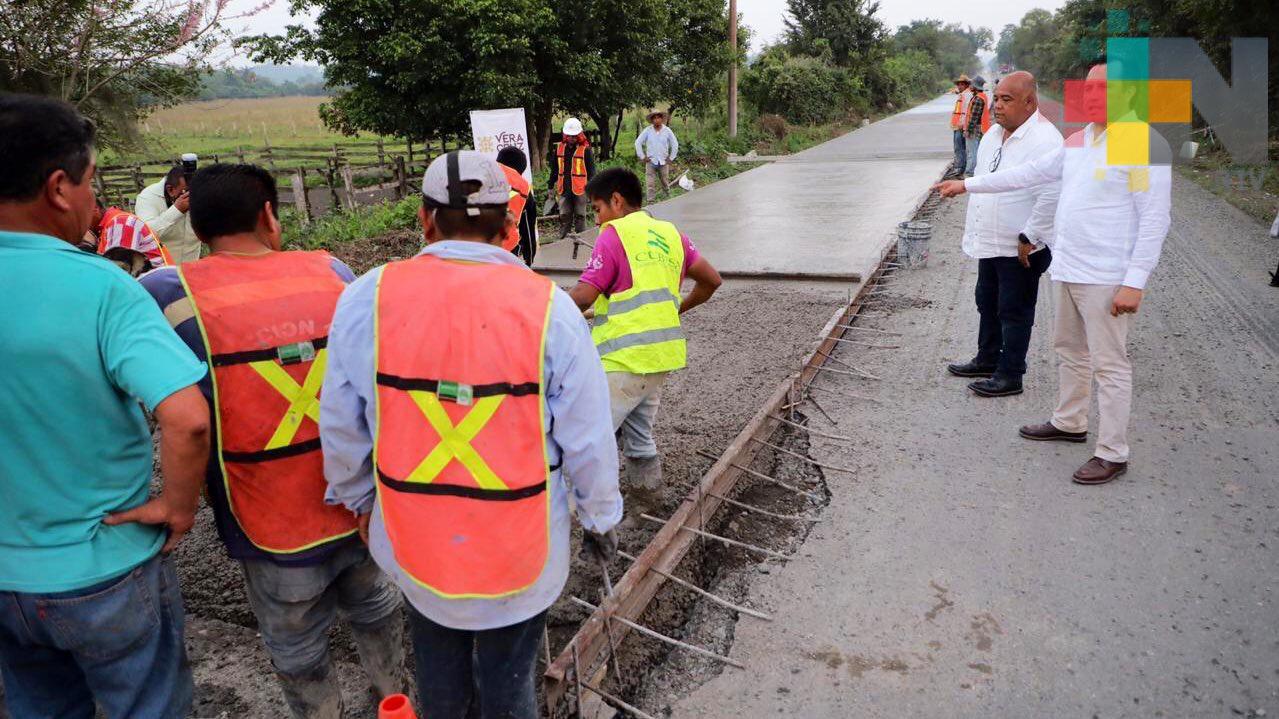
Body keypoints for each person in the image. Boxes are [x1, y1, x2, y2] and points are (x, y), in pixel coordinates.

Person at [320, 150, 623, 719]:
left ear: (423, 219)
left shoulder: (368, 297)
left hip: (416, 542)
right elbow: (587, 438)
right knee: (510, 688)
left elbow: (341, 422)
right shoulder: (550, 309)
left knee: (439, 674)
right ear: (510, 227)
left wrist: (359, 500)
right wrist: (602, 517)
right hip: (519, 550)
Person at [139, 164, 406, 718]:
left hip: (264, 515)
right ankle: (394, 700)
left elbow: (177, 417)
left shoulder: (167, 292)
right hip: (358, 501)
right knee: (377, 608)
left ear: (198, 222)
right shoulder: (333, 271)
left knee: (297, 643)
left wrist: (179, 506)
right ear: (268, 216)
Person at [0, 93, 210, 717]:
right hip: (104, 568)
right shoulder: (103, 287)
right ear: (60, 187)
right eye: (92, 183)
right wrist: (176, 507)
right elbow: (188, 418)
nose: (96, 201)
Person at [936, 61, 1172, 485]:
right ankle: (1069, 421)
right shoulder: (1081, 140)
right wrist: (967, 185)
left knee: (1110, 365)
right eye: (1090, 89)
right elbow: (1030, 173)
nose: (1094, 96)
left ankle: (1113, 451)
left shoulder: (1144, 144)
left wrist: (1135, 281)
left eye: (1106, 90)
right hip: (1069, 267)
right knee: (1069, 351)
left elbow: (1155, 220)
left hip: (1107, 276)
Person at [568, 168, 722, 520]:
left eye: (597, 208)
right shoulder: (671, 234)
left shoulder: (614, 234)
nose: (597, 218)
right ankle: (648, 500)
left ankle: (580, 520)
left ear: (617, 201)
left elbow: (583, 295)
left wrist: (542, 306)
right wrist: (673, 310)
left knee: (585, 441)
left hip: (623, 360)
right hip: (659, 358)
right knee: (638, 435)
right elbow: (712, 281)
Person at [946, 71, 1063, 398]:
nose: (997, 105)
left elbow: (1051, 194)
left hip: (1021, 246)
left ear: (1030, 101)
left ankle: (1010, 373)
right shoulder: (993, 135)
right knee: (987, 300)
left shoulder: (1045, 139)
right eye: (996, 98)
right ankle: (987, 358)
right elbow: (987, 182)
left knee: (1014, 309)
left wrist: (1031, 236)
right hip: (992, 242)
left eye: (1006, 100)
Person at [136, 163, 201, 263]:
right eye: (186, 192)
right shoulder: (147, 198)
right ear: (170, 189)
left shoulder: (199, 193)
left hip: (192, 266)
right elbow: (147, 234)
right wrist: (177, 210)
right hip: (162, 269)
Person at [92, 198, 175, 276]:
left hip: (157, 284)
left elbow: (119, 272)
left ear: (94, 208)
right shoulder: (105, 226)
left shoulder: (120, 223)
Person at [547, 117, 595, 239]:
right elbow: (555, 170)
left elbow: (591, 172)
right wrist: (550, 186)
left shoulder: (586, 150)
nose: (571, 138)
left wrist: (592, 190)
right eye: (569, 136)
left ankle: (582, 239)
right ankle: (563, 241)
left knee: (580, 215)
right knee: (564, 216)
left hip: (581, 189)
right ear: (565, 135)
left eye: (574, 136)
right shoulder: (559, 149)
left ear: (579, 135)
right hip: (564, 189)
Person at [496, 146, 538, 265]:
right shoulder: (523, 190)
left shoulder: (478, 175)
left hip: (471, 251)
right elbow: (528, 231)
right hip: (506, 252)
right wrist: (529, 259)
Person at [635, 110, 679, 203]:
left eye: (658, 117)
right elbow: (637, 142)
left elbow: (674, 144)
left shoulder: (667, 131)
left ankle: (667, 198)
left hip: (663, 161)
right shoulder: (647, 131)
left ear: (662, 119)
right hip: (651, 161)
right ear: (651, 120)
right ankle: (651, 202)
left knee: (665, 182)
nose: (656, 120)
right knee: (650, 184)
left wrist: (671, 158)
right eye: (654, 118)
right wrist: (642, 156)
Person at [964, 76, 992, 177]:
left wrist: (968, 130)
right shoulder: (981, 96)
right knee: (976, 151)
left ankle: (971, 172)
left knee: (972, 152)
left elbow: (974, 118)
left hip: (975, 129)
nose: (970, 86)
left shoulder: (978, 99)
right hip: (980, 128)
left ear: (975, 86)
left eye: (971, 84)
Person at [948, 74, 974, 178]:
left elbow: (965, 112)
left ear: (966, 85)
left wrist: (962, 125)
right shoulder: (963, 94)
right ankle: (960, 168)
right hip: (957, 125)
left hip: (960, 126)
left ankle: (960, 169)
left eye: (962, 84)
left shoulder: (967, 95)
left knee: (960, 148)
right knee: (960, 147)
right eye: (958, 84)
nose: (959, 86)